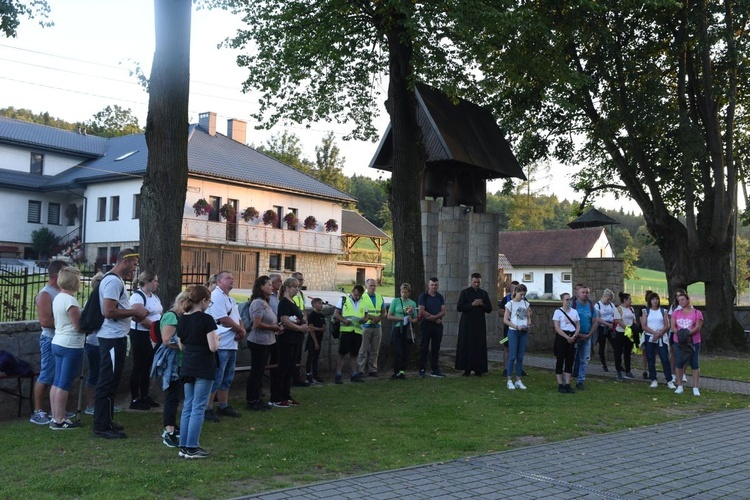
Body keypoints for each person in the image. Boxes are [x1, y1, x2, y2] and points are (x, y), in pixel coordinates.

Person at [93, 249, 148, 439]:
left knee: (112, 380)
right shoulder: (113, 281)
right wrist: (134, 312)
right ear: (124, 262)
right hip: (111, 339)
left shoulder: (115, 281)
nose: (135, 269)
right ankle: (101, 426)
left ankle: (107, 421)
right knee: (107, 381)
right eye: (133, 264)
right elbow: (108, 311)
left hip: (117, 338)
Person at [177, 285, 219, 459]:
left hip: (188, 364)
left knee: (188, 405)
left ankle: (183, 446)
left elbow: (181, 345)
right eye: (209, 301)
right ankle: (192, 447)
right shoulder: (206, 319)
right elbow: (213, 347)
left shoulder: (182, 319)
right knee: (198, 407)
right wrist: (217, 338)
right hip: (203, 365)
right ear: (203, 301)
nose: (209, 304)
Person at [30, 260, 69, 425]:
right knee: (46, 374)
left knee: (58, 376)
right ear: (56, 275)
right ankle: (38, 411)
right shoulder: (46, 294)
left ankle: (57, 410)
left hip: (61, 339)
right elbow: (45, 321)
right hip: (50, 339)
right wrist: (68, 322)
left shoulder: (60, 293)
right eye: (65, 272)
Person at [151, 291, 190, 447]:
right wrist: (187, 343)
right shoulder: (171, 316)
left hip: (180, 361)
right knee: (172, 396)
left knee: (176, 396)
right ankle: (169, 429)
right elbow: (167, 340)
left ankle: (173, 425)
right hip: (173, 363)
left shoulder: (179, 317)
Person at [206, 271, 246, 421]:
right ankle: (208, 407)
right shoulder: (216, 296)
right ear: (219, 281)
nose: (232, 280)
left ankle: (223, 405)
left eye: (232, 278)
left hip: (232, 343)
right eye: (228, 278)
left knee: (227, 377)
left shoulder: (229, 298)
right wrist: (240, 329)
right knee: (217, 376)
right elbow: (222, 318)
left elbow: (238, 317)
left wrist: (241, 328)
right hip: (221, 343)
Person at [49, 267, 84, 429]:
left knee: (57, 381)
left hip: (58, 341)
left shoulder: (58, 297)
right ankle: (60, 419)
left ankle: (55, 416)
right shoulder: (71, 301)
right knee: (64, 383)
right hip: (71, 344)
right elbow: (78, 326)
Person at [270, 277, 310, 407]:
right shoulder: (284, 302)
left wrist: (303, 324)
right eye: (295, 287)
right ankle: (276, 397)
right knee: (283, 368)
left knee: (290, 368)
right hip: (286, 340)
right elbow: (285, 321)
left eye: (298, 287)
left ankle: (286, 395)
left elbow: (298, 318)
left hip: (295, 340)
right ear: (287, 288)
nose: (297, 289)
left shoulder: (292, 302)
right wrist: (300, 327)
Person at [245, 276, 281, 411]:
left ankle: (258, 398)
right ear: (261, 286)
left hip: (268, 341)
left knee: (260, 372)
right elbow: (257, 324)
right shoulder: (258, 303)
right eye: (269, 285)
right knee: (256, 372)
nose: (272, 287)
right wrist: (274, 328)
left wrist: (276, 327)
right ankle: (251, 400)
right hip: (258, 342)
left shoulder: (266, 302)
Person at [128, 271, 163, 410]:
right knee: (139, 365)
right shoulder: (137, 297)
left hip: (152, 335)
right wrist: (155, 328)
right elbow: (139, 317)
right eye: (154, 281)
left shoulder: (154, 297)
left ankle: (145, 395)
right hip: (140, 334)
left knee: (147, 365)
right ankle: (135, 398)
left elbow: (159, 313)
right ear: (147, 282)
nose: (156, 284)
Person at [455, 273, 492, 376]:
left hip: (479, 324)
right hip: (467, 324)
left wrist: (482, 304)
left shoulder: (484, 293)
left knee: (479, 345)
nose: (476, 284)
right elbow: (459, 307)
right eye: (474, 282)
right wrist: (471, 304)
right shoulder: (465, 293)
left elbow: (489, 309)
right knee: (466, 344)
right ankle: (466, 368)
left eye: (478, 282)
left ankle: (478, 368)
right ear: (471, 281)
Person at [671, 292, 703, 396]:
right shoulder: (676, 313)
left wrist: (688, 334)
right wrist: (680, 334)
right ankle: (679, 385)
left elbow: (698, 326)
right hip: (679, 341)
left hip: (693, 341)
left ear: (688, 300)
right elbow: (673, 326)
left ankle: (695, 387)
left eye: (683, 299)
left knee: (694, 363)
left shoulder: (697, 313)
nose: (681, 302)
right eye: (679, 300)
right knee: (679, 362)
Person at [333, 284, 366, 384]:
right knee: (342, 353)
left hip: (357, 331)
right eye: (356, 295)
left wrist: (363, 320)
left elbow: (366, 315)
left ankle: (354, 374)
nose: (357, 297)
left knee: (354, 354)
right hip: (346, 330)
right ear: (352, 292)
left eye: (359, 295)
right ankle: (338, 375)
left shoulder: (363, 302)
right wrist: (343, 321)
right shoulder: (344, 300)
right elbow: (336, 313)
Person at [641, 291, 674, 389]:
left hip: (661, 337)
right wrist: (654, 333)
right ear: (649, 301)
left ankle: (669, 380)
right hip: (650, 336)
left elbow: (667, 325)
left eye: (656, 299)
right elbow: (644, 325)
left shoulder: (663, 311)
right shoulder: (645, 311)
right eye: (653, 299)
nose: (655, 301)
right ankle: (653, 379)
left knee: (664, 358)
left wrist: (660, 333)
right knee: (651, 358)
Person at [503, 283, 532, 390]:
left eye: (524, 295)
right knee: (512, 356)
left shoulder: (525, 303)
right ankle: (509, 380)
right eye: (521, 294)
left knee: (520, 357)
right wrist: (516, 326)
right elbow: (505, 320)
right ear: (516, 292)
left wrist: (528, 324)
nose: (522, 297)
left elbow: (528, 316)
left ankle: (518, 380)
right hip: (513, 332)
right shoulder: (510, 304)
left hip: (523, 331)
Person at [356, 279, 386, 378]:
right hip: (366, 326)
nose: (373, 287)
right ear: (366, 286)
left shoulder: (379, 297)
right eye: (371, 286)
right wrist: (374, 318)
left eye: (374, 286)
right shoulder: (362, 297)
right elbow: (361, 312)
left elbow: (384, 311)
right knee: (363, 349)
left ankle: (373, 369)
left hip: (377, 327)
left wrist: (379, 318)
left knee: (375, 350)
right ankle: (360, 370)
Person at [388, 283, 418, 380]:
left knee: (406, 352)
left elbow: (415, 318)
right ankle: (395, 371)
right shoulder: (396, 301)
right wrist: (401, 318)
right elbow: (389, 316)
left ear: (409, 292)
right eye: (402, 292)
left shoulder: (412, 303)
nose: (403, 294)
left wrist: (411, 320)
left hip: (407, 329)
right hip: (397, 328)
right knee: (398, 351)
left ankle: (402, 372)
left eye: (405, 292)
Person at [417, 277, 446, 378]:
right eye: (432, 285)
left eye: (436, 285)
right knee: (424, 347)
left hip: (438, 325)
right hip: (426, 324)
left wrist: (436, 318)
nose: (434, 287)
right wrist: (433, 318)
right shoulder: (423, 296)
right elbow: (421, 310)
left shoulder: (440, 297)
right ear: (429, 285)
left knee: (436, 348)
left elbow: (443, 310)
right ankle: (422, 369)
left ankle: (435, 369)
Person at [571, 284, 598, 390]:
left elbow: (594, 322)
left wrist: (588, 335)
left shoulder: (591, 307)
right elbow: (569, 320)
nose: (585, 294)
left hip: (587, 336)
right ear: (578, 294)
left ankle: (580, 380)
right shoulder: (573, 305)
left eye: (587, 292)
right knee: (572, 358)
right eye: (583, 292)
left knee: (585, 359)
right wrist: (577, 333)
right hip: (574, 336)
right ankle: (570, 375)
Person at [552, 293, 579, 394]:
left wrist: (574, 336)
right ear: (562, 301)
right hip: (562, 337)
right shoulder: (558, 312)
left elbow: (578, 325)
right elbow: (557, 327)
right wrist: (567, 337)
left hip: (572, 336)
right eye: (567, 299)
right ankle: (560, 384)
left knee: (570, 360)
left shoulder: (574, 312)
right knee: (560, 360)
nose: (569, 301)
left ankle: (567, 383)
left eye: (570, 299)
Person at [612, 292, 637, 381]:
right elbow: (618, 321)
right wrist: (627, 328)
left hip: (629, 334)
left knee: (628, 352)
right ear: (625, 300)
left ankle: (628, 370)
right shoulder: (618, 309)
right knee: (618, 352)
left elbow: (634, 319)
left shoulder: (631, 309)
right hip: (621, 333)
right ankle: (618, 371)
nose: (631, 301)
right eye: (629, 299)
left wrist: (634, 328)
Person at [498, 281, 519, 377]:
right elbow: (500, 313)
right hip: (508, 328)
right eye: (512, 288)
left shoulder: (523, 299)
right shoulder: (505, 299)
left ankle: (519, 368)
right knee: (506, 346)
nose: (514, 290)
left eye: (516, 288)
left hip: (519, 328)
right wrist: (509, 315)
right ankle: (505, 369)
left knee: (518, 348)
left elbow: (529, 312)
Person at [594, 289, 617, 373]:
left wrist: (613, 324)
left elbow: (615, 315)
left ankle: (618, 364)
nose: (609, 301)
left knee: (615, 345)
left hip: (611, 328)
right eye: (608, 299)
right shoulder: (598, 305)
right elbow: (597, 318)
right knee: (602, 346)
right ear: (604, 297)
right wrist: (607, 324)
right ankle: (604, 364)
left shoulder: (611, 305)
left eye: (610, 299)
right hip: (602, 327)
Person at [305, 298, 326, 384]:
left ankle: (315, 374)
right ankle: (308, 375)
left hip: (319, 338)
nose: (321, 305)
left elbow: (324, 328)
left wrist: (317, 328)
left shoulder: (322, 316)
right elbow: (311, 329)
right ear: (314, 305)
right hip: (313, 340)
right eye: (319, 303)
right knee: (311, 357)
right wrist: (315, 342)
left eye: (321, 303)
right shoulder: (311, 315)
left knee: (316, 358)